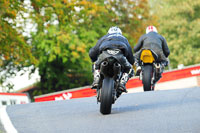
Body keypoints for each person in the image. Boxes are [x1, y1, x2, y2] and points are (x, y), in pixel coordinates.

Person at [89, 26, 134, 92]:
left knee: (96, 65)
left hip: (105, 54)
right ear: (120, 33)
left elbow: (94, 50)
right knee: (129, 68)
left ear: (109, 32)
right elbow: (130, 53)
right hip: (120, 56)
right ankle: (122, 83)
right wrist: (131, 62)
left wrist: (93, 59)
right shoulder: (124, 38)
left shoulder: (105, 37)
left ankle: (96, 80)